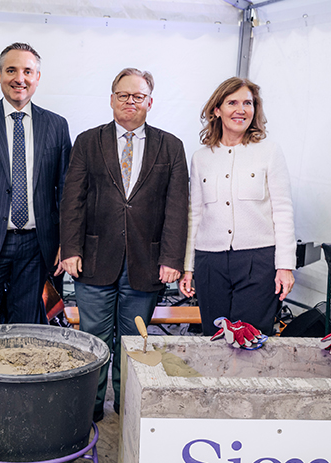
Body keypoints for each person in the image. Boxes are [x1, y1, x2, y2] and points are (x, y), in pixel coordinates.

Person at [59, 68, 189, 422]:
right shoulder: (88, 141)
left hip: (147, 263)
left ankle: (129, 407)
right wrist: (70, 249)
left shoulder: (171, 146)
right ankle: (89, 410)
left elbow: (177, 207)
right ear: (112, 99)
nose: (130, 101)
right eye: (123, 95)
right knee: (94, 340)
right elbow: (73, 200)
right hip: (93, 260)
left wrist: (172, 258)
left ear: (150, 101)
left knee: (135, 342)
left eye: (138, 96)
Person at [0, 43, 71, 327]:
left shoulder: (56, 126)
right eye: (11, 70)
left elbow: (66, 191)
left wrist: (66, 242)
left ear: (37, 77)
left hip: (37, 245)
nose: (20, 78)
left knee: (27, 326)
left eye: (27, 71)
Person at [179, 77, 296, 337]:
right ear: (217, 110)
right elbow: (194, 215)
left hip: (258, 261)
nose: (241, 110)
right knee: (215, 337)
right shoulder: (200, 158)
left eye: (247, 103)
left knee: (250, 339)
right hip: (210, 262)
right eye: (232, 103)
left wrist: (285, 266)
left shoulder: (269, 152)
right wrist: (188, 267)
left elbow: (283, 211)